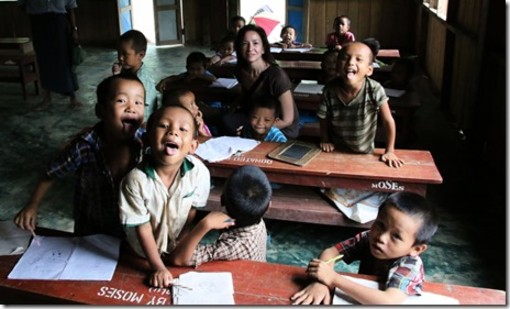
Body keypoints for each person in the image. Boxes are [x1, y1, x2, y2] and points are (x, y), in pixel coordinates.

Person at [14, 73, 146, 237]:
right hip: (92, 227)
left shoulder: (147, 143)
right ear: (100, 111)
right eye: (121, 101)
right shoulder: (84, 146)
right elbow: (51, 173)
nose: (131, 107)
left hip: (135, 229)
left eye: (138, 102)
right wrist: (32, 205)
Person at [119, 104, 210, 288]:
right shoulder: (135, 180)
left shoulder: (198, 172)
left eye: (182, 129)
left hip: (174, 244)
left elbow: (192, 211)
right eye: (163, 126)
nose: (173, 132)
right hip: (142, 252)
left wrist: (181, 242)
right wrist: (158, 267)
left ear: (193, 146)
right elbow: (142, 228)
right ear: (146, 139)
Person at [291, 191, 438, 305]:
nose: (381, 237)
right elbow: (331, 252)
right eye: (380, 225)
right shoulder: (368, 238)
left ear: (416, 249)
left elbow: (388, 302)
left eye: (396, 237)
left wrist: (334, 279)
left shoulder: (410, 265)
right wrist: (321, 283)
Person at [318, 42, 403, 168]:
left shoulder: (374, 89)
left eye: (358, 59)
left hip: (365, 151)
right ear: (337, 66)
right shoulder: (329, 90)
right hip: (336, 149)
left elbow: (387, 121)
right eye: (345, 58)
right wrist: (325, 140)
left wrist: (389, 151)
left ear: (369, 70)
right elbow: (323, 117)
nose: (351, 62)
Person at [168, 165, 271, 267]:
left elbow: (178, 259)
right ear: (268, 207)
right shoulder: (255, 218)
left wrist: (204, 225)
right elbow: (231, 221)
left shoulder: (232, 247)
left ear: (221, 200)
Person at [222, 24, 300, 139]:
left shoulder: (276, 76)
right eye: (244, 44)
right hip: (257, 119)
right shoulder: (241, 71)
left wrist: (256, 130)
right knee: (226, 120)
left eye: (255, 43)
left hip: (279, 126)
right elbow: (246, 94)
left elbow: (287, 120)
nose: (250, 48)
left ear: (263, 48)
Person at [19, 0, 82, 110]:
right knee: (44, 60)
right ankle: (47, 97)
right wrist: (35, 12)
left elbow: (71, 7)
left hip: (59, 23)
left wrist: (74, 29)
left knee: (64, 60)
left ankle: (73, 98)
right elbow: (22, 5)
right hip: (39, 23)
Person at [112, 29, 157, 123]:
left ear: (140, 55)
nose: (120, 58)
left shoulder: (143, 78)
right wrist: (116, 75)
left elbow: (145, 107)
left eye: (125, 54)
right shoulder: (126, 68)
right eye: (119, 53)